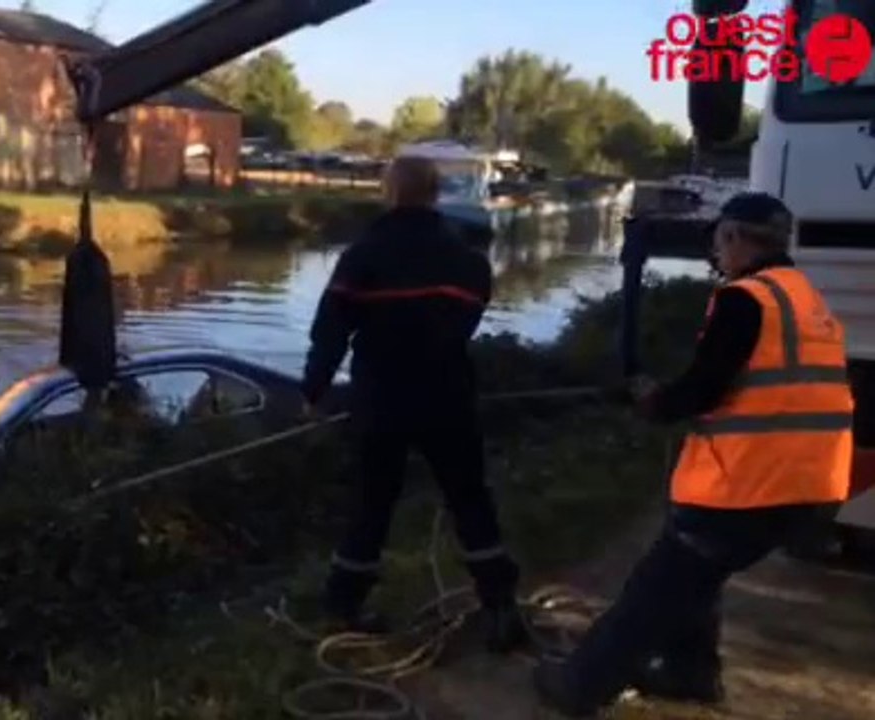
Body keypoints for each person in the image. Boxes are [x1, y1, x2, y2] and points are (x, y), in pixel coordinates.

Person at [533, 192, 854, 716]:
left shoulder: (744, 298)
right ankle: (691, 672)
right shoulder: (806, 299)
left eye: (719, 241)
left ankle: (581, 684)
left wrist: (655, 402)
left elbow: (706, 387)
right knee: (698, 573)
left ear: (733, 237)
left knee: (657, 586)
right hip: (811, 482)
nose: (716, 253)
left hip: (752, 482)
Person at [299, 155, 529, 652]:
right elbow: (466, 319)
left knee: (372, 503)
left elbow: (331, 328)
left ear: (389, 192)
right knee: (470, 500)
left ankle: (343, 606)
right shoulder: (468, 261)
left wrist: (314, 390)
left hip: (380, 396)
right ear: (435, 193)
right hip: (448, 394)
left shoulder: (364, 253)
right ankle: (500, 609)